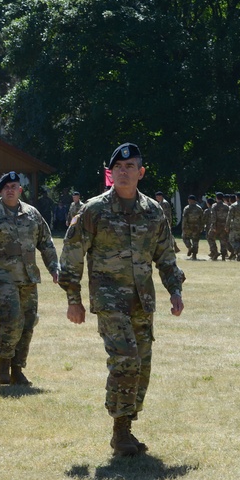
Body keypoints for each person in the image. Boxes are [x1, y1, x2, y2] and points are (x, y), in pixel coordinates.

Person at [59, 143, 185, 456]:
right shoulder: (93, 210)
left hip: (142, 301)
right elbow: (71, 257)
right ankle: (121, 430)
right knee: (125, 359)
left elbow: (166, 256)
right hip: (109, 301)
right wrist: (74, 299)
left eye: (130, 167)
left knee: (141, 366)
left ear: (141, 172)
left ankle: (126, 425)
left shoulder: (154, 212)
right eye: (119, 168)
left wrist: (175, 290)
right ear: (110, 173)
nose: (124, 172)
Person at [0, 171, 59, 386]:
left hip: (28, 277)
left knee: (28, 322)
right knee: (11, 319)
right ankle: (4, 364)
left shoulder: (32, 214)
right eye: (6, 187)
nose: (10, 190)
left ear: (20, 190)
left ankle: (17, 368)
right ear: (0, 191)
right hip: (3, 277)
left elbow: (46, 243)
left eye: (14, 186)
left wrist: (54, 267)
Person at [180, 195, 204, 259]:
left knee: (184, 237)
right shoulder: (199, 208)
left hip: (188, 226)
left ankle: (189, 247)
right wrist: (202, 227)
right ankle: (194, 255)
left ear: (189, 200)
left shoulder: (187, 208)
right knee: (195, 240)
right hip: (196, 226)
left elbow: (184, 218)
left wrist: (183, 227)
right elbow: (202, 219)